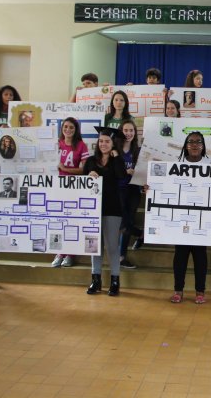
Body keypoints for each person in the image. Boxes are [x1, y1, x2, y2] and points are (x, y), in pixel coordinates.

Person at [169, 132, 211, 304]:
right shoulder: (176, 164)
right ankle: (178, 290)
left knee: (200, 257)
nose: (194, 145)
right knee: (180, 256)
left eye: (198, 142)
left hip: (202, 220)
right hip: (182, 219)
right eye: (191, 142)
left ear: (203, 145)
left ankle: (200, 291)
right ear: (186, 145)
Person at [84, 127, 126, 296]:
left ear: (113, 143)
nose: (103, 144)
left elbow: (121, 176)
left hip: (112, 208)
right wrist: (88, 175)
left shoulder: (118, 160)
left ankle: (115, 280)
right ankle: (96, 279)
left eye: (107, 141)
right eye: (101, 141)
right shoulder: (90, 161)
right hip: (92, 209)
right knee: (94, 245)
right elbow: (81, 183)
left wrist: (115, 157)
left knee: (112, 246)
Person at [51, 117, 89, 268]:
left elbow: (84, 169)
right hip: (56, 186)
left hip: (73, 187)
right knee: (58, 220)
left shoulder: (81, 145)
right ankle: (60, 252)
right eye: (65, 127)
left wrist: (66, 170)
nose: (68, 130)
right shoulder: (56, 144)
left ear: (76, 130)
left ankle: (70, 253)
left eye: (71, 128)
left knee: (72, 220)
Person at [118, 120, 144, 269]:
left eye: (131, 131)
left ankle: (122, 257)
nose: (128, 133)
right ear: (121, 131)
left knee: (129, 221)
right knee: (124, 223)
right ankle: (141, 234)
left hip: (133, 189)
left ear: (135, 133)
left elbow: (144, 169)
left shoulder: (138, 151)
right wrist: (124, 172)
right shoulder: (115, 149)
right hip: (119, 190)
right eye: (126, 130)